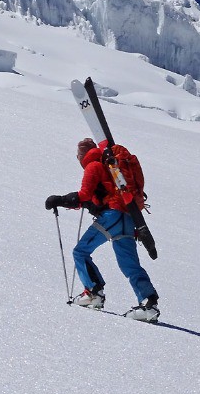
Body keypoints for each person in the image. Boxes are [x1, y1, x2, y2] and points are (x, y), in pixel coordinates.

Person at [45, 138, 160, 322]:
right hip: (128, 218)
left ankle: (94, 292)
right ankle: (148, 303)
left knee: (80, 252)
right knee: (129, 265)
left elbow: (83, 196)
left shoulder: (93, 166)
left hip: (111, 217)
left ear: (82, 155)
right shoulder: (110, 165)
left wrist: (58, 200)